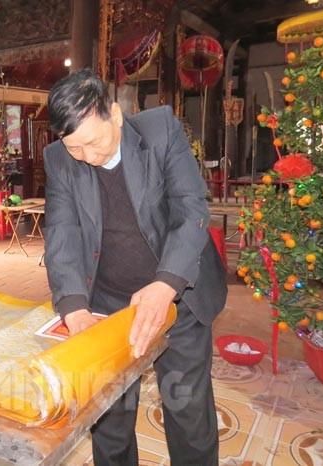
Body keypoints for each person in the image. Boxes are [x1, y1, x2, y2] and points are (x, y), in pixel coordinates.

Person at [43, 69, 227, 466]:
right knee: (108, 417)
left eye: (94, 142)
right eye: (75, 148)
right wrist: (74, 308)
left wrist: (166, 285)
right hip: (108, 304)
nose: (88, 157)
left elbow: (191, 210)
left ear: (115, 114)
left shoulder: (160, 131)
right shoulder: (58, 159)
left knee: (187, 411)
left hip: (177, 296)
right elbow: (62, 233)